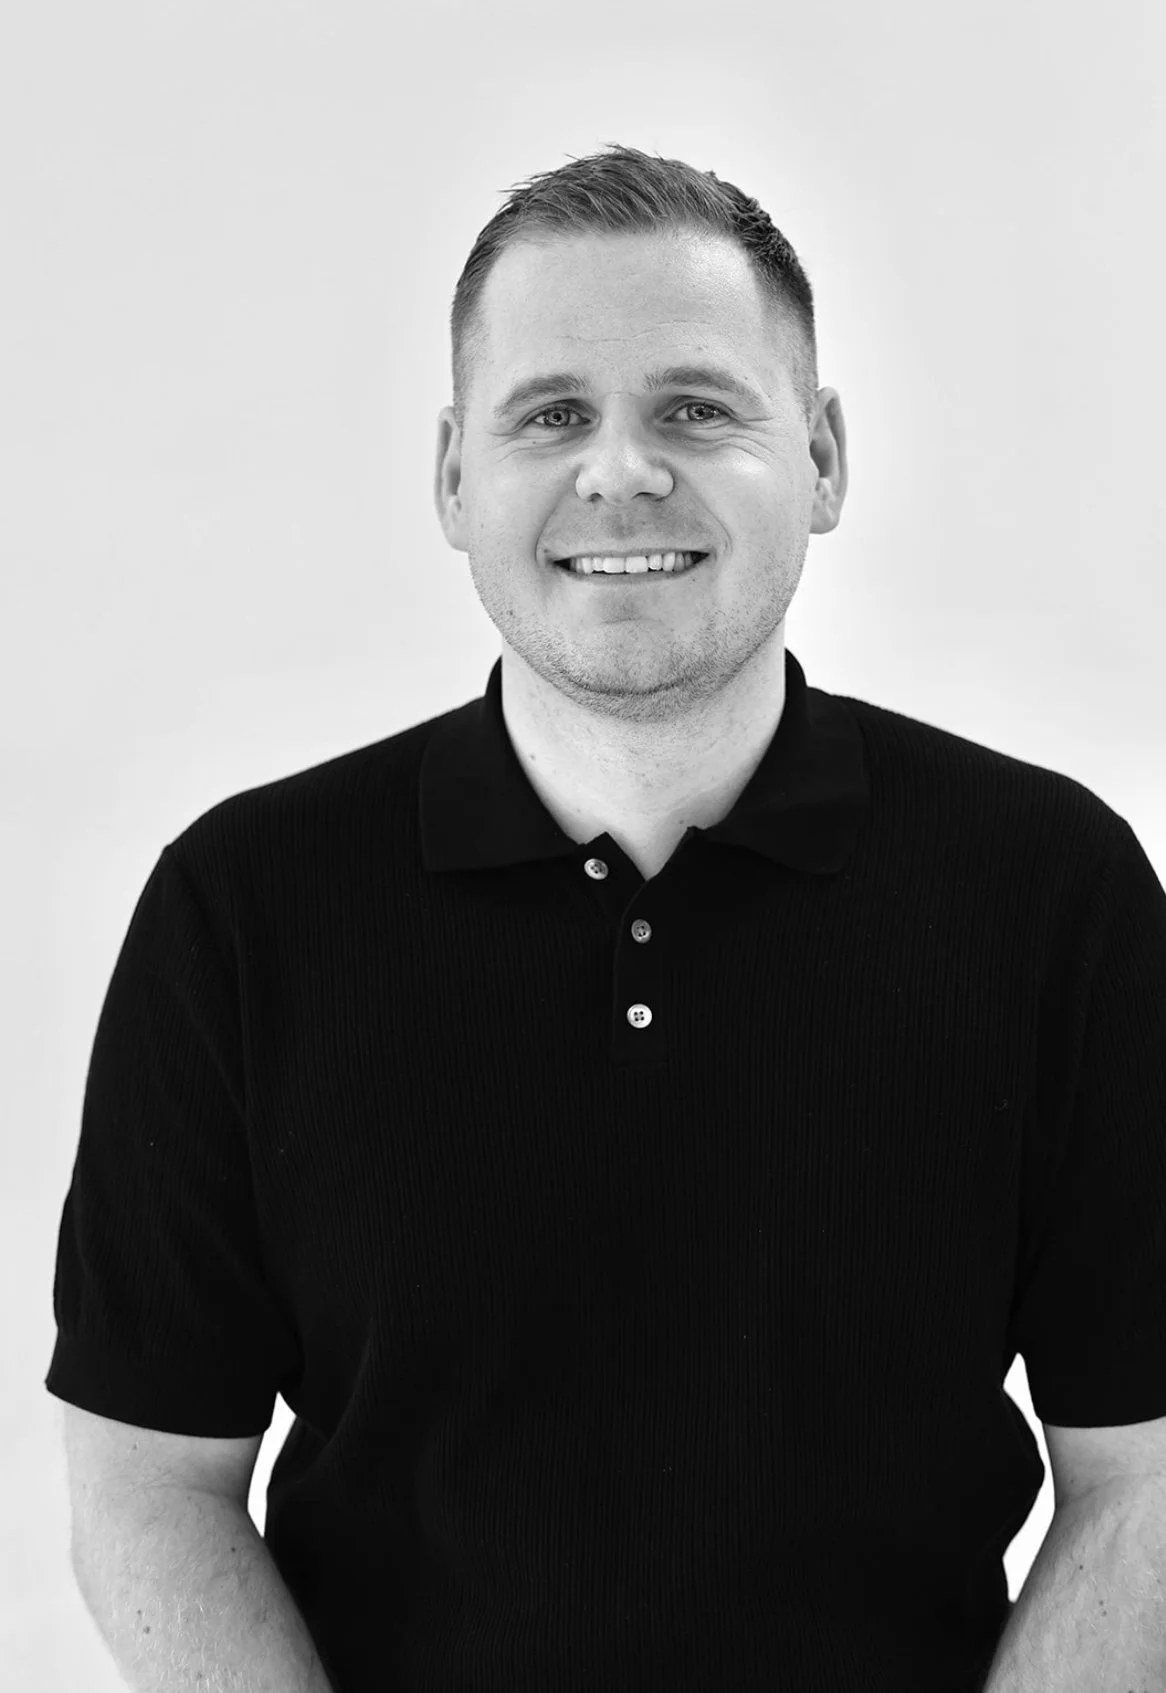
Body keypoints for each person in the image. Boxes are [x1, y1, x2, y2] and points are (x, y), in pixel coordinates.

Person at [47, 144, 1166, 1693]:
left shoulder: (1049, 891)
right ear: (454, 477)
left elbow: (1143, 1475)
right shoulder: (241, 909)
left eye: (695, 409)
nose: (621, 471)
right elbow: (148, 1487)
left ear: (822, 458)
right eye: (551, 414)